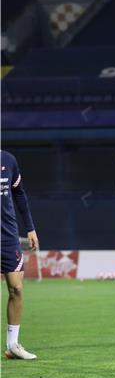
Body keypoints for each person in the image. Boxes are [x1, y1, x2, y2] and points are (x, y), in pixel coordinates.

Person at [1, 150, 39, 360]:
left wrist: (30, 228)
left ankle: (12, 345)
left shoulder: (8, 160)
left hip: (7, 236)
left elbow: (19, 193)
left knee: (16, 288)